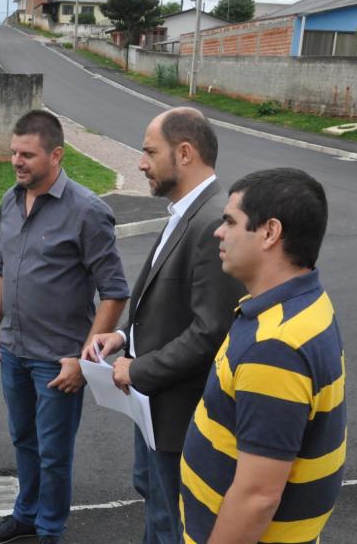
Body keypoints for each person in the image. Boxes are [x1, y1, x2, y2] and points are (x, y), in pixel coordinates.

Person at [89, 107, 244, 544]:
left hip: (180, 416)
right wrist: (122, 337)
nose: (141, 162)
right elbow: (172, 305)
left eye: (149, 152)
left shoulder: (213, 220)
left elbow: (210, 331)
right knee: (157, 510)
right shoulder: (186, 212)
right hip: (155, 408)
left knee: (173, 522)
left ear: (186, 153)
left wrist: (137, 369)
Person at [0, 110, 130, 544]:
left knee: (53, 454)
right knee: (23, 440)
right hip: (14, 350)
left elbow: (115, 292)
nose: (16, 161)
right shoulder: (10, 200)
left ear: (56, 154)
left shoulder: (87, 211)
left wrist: (85, 360)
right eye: (13, 152)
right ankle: (25, 514)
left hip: (57, 360)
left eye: (27, 154)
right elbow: (0, 268)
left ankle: (49, 530)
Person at [180, 168, 346, 543]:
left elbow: (258, 497)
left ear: (270, 232)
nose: (218, 232)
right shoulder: (303, 303)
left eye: (230, 221)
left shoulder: (276, 346)